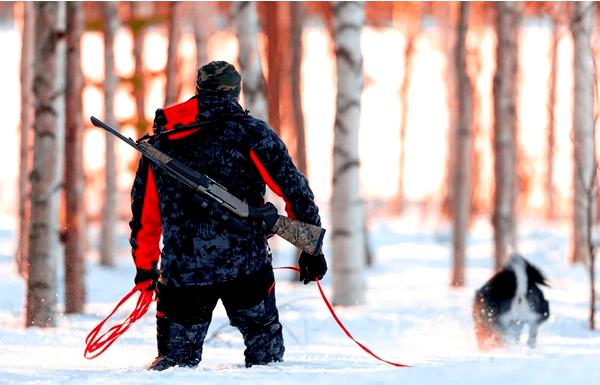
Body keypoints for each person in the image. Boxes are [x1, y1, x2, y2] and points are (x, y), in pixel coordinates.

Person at [129, 61, 327, 371]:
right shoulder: (251, 133)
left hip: (183, 276)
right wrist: (311, 248)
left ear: (198, 90)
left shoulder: (160, 144)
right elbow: (295, 189)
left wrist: (144, 270)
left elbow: (145, 219)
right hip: (246, 271)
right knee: (267, 366)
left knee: (173, 370)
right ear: (235, 91)